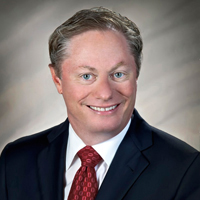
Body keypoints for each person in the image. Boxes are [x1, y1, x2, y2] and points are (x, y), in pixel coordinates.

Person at [0, 7, 200, 200]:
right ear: (57, 80)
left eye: (118, 74)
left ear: (136, 75)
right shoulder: (16, 161)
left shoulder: (185, 170)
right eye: (87, 76)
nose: (105, 93)